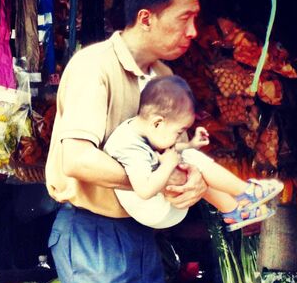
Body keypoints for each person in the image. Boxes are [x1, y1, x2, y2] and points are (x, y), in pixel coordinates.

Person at [45, 0, 204, 283]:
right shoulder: (92, 67)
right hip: (90, 233)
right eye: (184, 19)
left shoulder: (165, 80)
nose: (193, 31)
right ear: (146, 18)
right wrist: (151, 179)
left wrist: (189, 182)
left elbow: (175, 155)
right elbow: (77, 159)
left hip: (139, 238)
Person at [104, 75, 283, 231]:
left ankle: (235, 210)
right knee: (188, 159)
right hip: (152, 210)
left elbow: (162, 154)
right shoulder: (130, 148)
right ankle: (246, 192)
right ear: (158, 123)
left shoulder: (144, 130)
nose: (177, 138)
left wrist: (190, 144)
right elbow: (144, 190)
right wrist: (168, 164)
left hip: (163, 202)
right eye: (178, 132)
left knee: (188, 157)